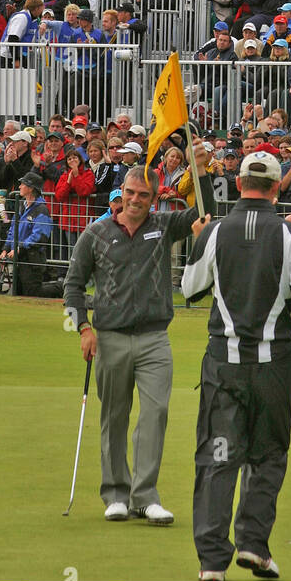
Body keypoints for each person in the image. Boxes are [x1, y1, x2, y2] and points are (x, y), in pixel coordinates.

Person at [182, 150, 291, 581]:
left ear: (239, 183)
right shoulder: (290, 233)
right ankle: (252, 544)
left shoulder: (214, 231)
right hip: (272, 368)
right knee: (267, 457)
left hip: (223, 367)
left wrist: (199, 238)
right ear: (275, 188)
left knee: (217, 458)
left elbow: (190, 288)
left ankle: (212, 563)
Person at [63, 145, 214, 525]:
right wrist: (82, 327)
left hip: (154, 338)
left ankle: (144, 496)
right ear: (122, 191)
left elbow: (203, 214)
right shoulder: (96, 233)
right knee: (114, 416)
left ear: (153, 197)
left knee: (156, 412)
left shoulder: (163, 227)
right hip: (109, 335)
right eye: (130, 193)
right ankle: (115, 493)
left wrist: (201, 171)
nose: (134, 200)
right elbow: (73, 285)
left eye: (143, 195)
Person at [1, 171, 53, 297]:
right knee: (17, 292)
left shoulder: (41, 210)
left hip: (32, 258)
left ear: (30, 188)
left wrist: (21, 247)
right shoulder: (21, 206)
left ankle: (61, 288)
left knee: (33, 293)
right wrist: (6, 249)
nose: (19, 187)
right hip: (19, 257)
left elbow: (40, 236)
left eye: (22, 184)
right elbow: (13, 229)